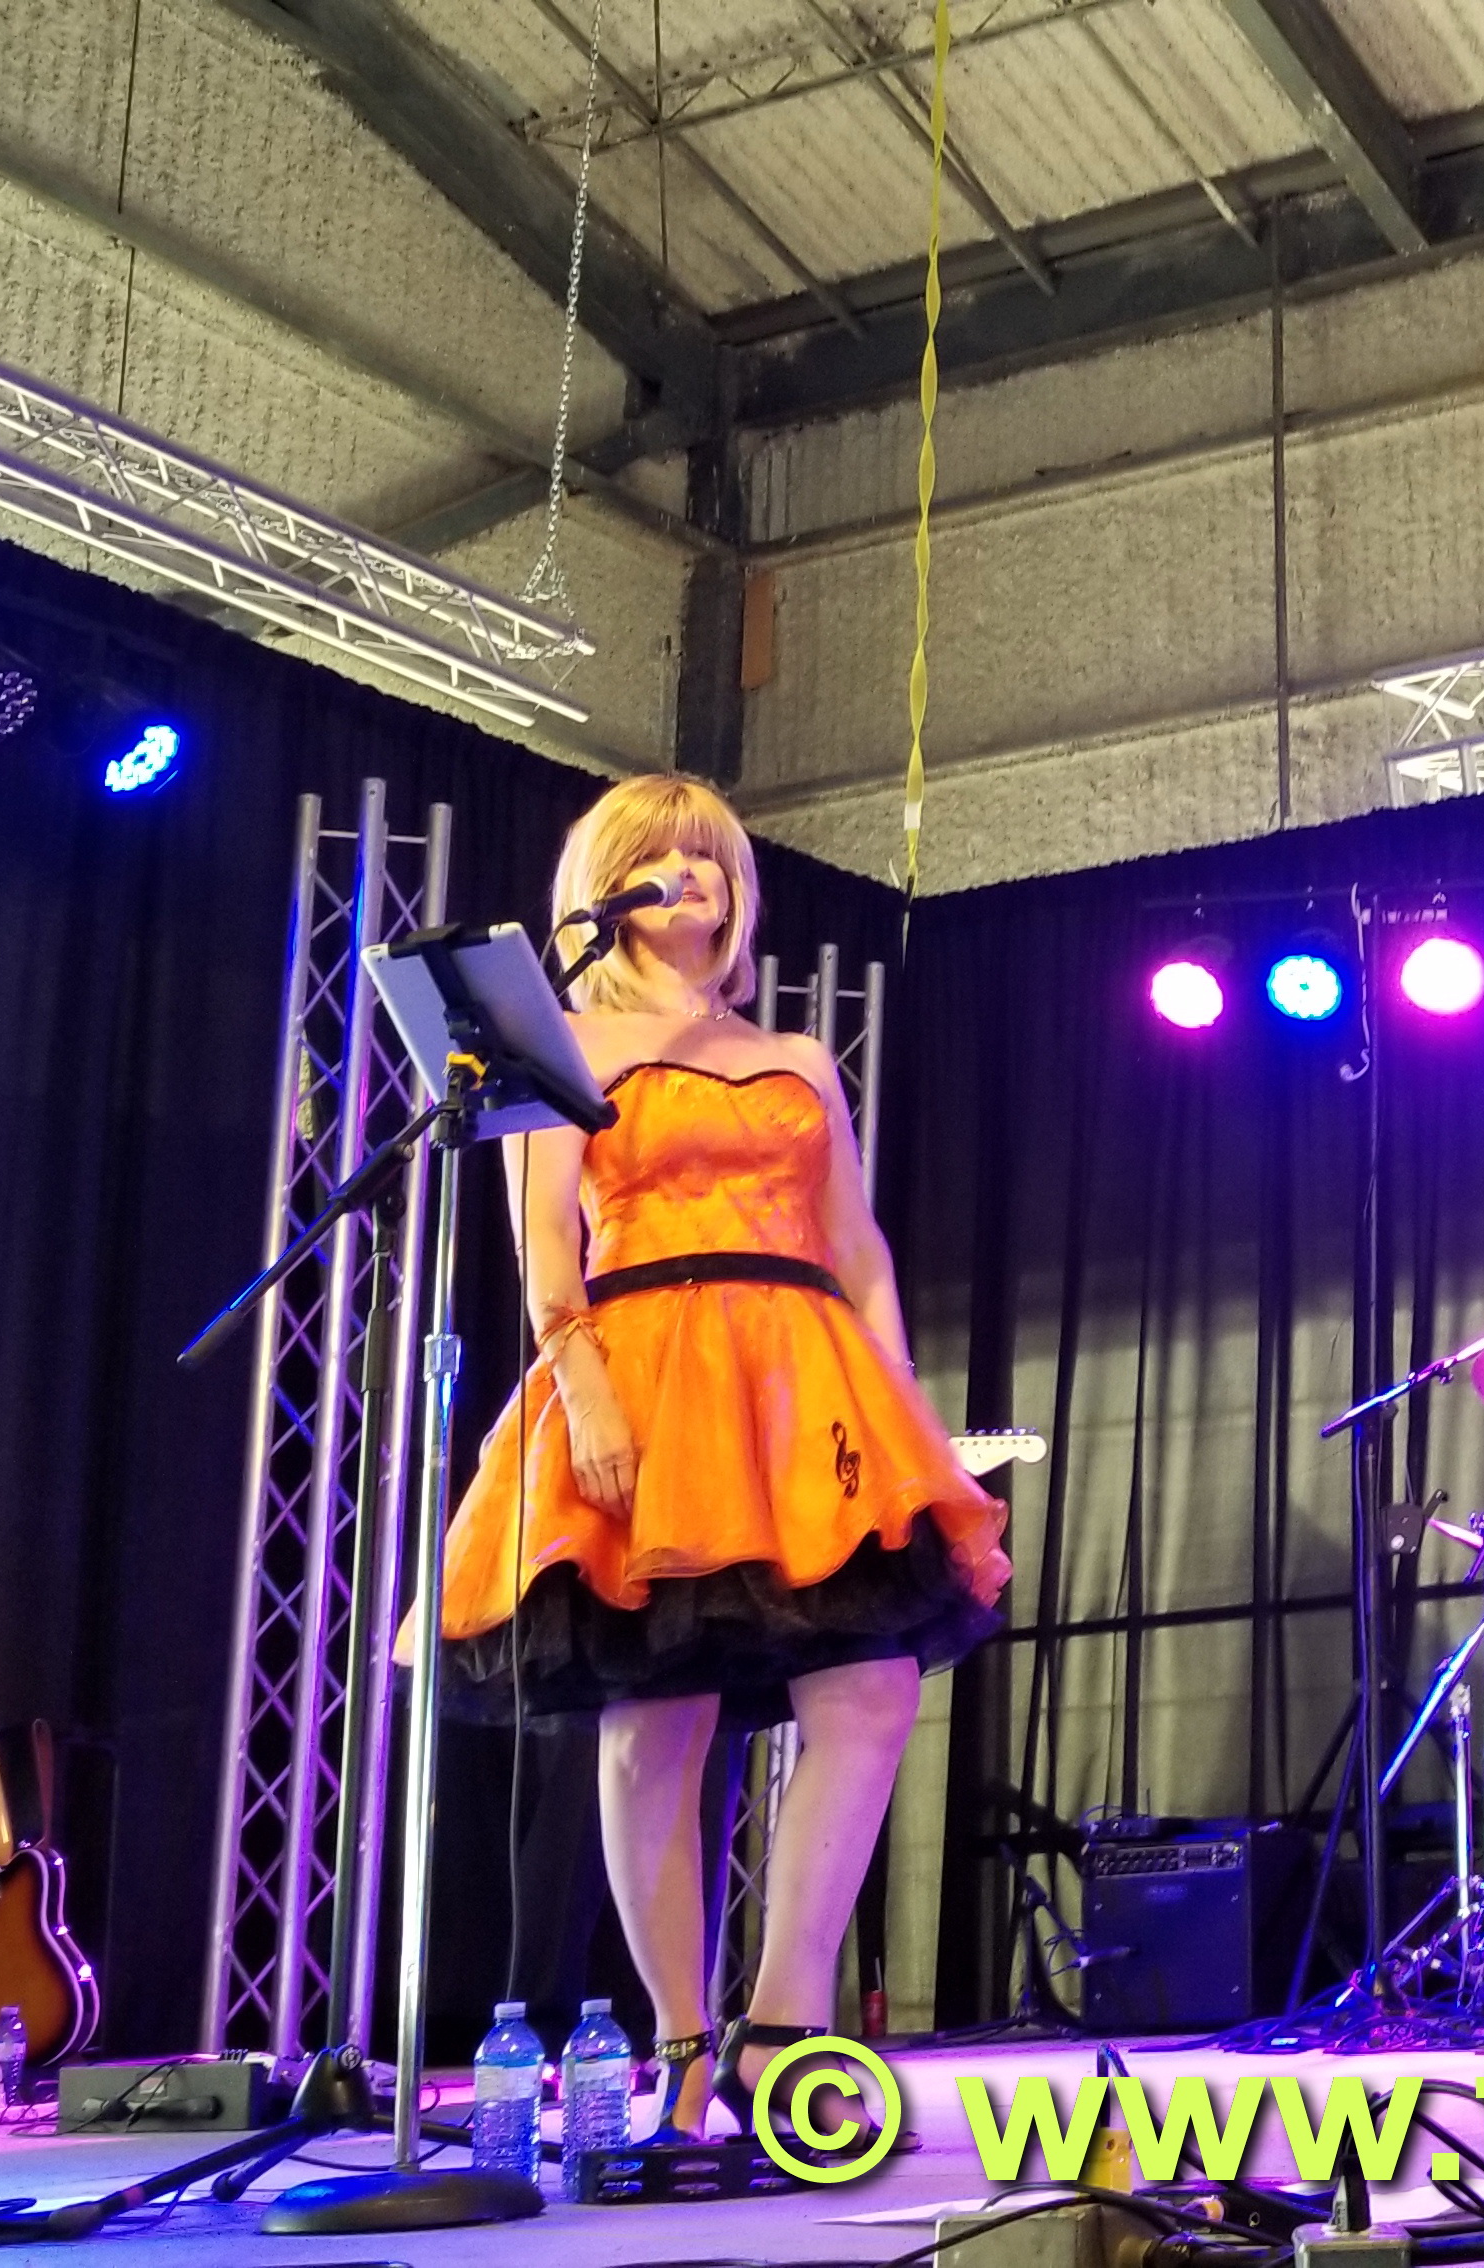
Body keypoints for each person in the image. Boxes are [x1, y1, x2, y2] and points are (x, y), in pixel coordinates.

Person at [433, 774, 1008, 2142]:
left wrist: (901, 1404)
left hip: (804, 1378)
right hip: (643, 1367)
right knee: (657, 1713)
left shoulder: (800, 1058)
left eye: (711, 855)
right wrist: (584, 1392)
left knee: (869, 1690)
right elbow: (546, 1244)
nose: (692, 873)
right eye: (660, 856)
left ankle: (783, 2018)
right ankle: (682, 2045)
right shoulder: (557, 1040)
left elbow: (857, 1247)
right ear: (607, 885)